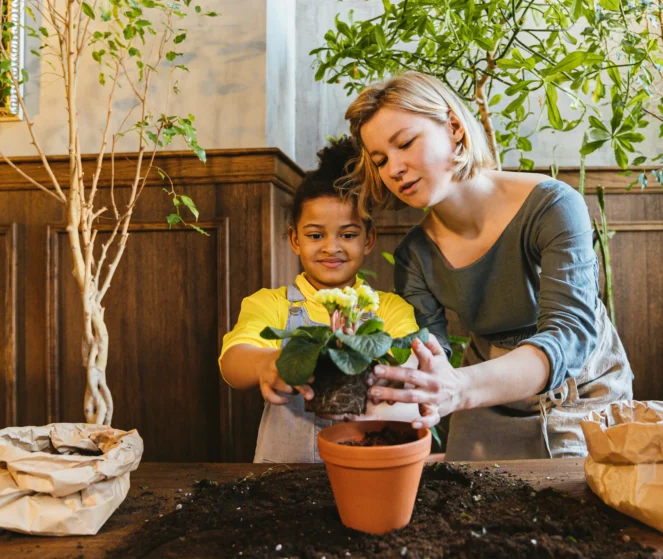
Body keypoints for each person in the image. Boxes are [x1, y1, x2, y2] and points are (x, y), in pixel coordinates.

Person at [339, 71, 633, 460]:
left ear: (455, 128)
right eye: (380, 160)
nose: (393, 169)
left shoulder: (554, 206)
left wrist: (460, 387)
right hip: (482, 394)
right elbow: (431, 355)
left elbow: (569, 335)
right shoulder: (414, 257)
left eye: (405, 143)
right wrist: (365, 356)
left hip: (581, 387)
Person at [219, 137, 419, 463]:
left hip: (367, 462)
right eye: (315, 235)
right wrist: (268, 363)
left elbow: (408, 357)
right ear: (294, 239)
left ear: (369, 239)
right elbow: (233, 362)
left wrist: (386, 368)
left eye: (348, 234)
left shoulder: (389, 308)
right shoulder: (272, 303)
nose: (331, 247)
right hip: (286, 474)